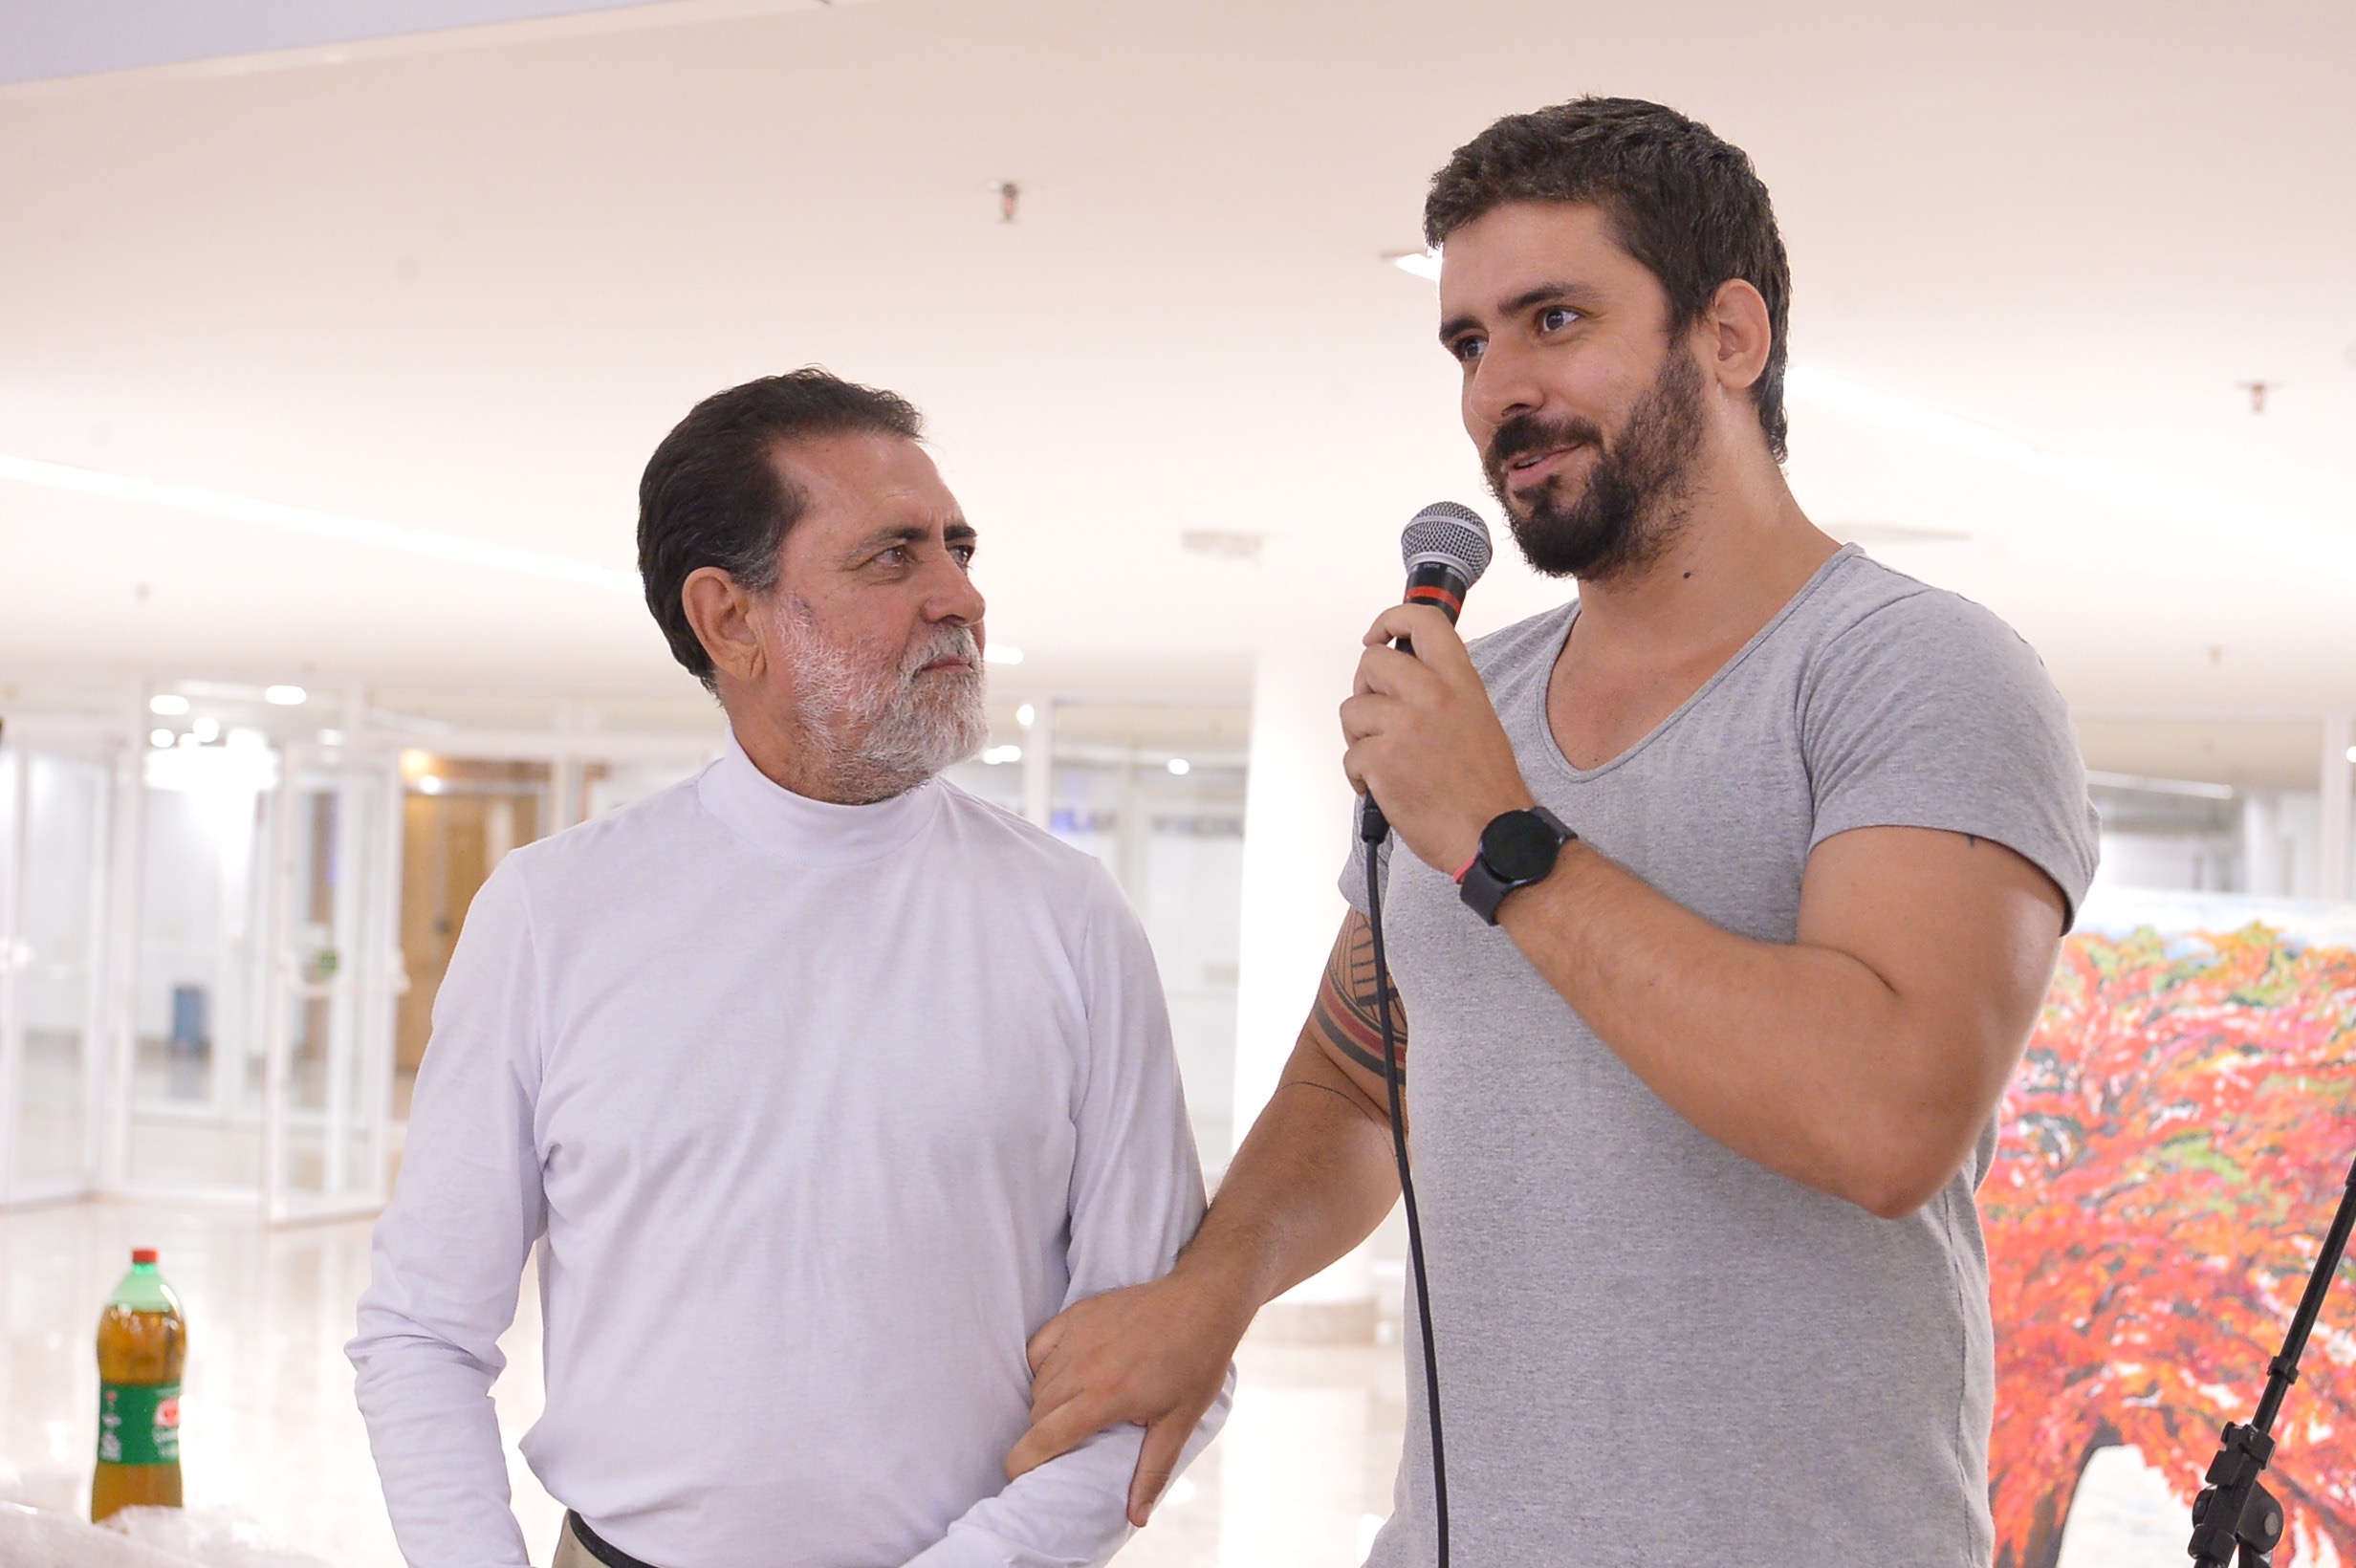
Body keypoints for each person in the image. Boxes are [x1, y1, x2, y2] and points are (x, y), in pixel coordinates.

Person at [1010, 98, 2099, 1564]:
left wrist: (1498, 837)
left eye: (1556, 320)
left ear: (1729, 335)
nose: (1498, 391)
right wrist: (1214, 1291)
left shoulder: (1914, 671)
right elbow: (1358, 1072)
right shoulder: (1481, 704)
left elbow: (1886, 1118)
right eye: (1469, 343)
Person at [348, 369, 1226, 1568]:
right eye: (894, 556)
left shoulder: (1070, 919)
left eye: (959, 548)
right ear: (729, 619)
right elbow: (421, 1329)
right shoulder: (553, 915)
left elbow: (1165, 1352)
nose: (961, 596)